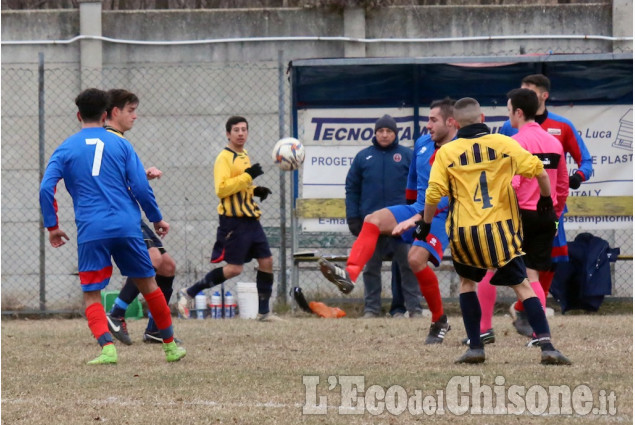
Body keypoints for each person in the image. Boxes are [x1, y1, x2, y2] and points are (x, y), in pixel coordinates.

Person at [395, 97, 570, 365]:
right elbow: (539, 171)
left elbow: (433, 194)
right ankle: (547, 346)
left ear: (454, 122)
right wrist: (546, 200)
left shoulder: (447, 153)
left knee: (467, 284)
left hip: (464, 233)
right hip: (500, 232)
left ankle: (476, 346)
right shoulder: (504, 143)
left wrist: (425, 224)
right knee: (522, 285)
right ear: (483, 117)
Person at [39, 88, 186, 364]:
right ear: (106, 114)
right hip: (127, 225)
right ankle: (169, 346)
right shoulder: (121, 144)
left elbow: (46, 188)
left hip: (91, 229)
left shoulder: (67, 147)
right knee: (149, 285)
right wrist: (156, 218)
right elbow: (141, 186)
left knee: (92, 292)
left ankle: (107, 348)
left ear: (78, 115)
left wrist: (53, 227)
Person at [318, 98, 457, 344]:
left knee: (414, 260)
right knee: (372, 219)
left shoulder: (461, 149)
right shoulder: (423, 144)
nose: (428, 125)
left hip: (442, 214)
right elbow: (413, 187)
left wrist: (417, 218)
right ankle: (349, 275)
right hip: (417, 208)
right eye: (428, 119)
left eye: (433, 120)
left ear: (451, 122)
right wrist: (410, 212)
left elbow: (453, 195)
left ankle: (439, 319)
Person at [464, 88, 569, 346]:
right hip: (545, 217)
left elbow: (512, 183)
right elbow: (562, 186)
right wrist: (554, 218)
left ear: (518, 112)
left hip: (517, 215)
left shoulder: (516, 143)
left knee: (489, 269)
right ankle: (538, 335)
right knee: (532, 277)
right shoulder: (554, 142)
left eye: (509, 109)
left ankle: (484, 329)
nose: (508, 114)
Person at [499, 74, 593, 336]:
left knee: (542, 265)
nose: (524, 92)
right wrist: (555, 209)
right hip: (549, 211)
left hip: (524, 212)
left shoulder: (560, 127)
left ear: (542, 96)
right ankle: (530, 321)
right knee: (535, 268)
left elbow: (584, 163)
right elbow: (559, 182)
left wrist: (580, 177)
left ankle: (515, 322)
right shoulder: (513, 131)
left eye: (527, 90)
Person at [177, 116, 279, 321]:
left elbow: (241, 184)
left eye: (244, 129)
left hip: (251, 218)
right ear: (228, 134)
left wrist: (255, 190)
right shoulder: (224, 157)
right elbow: (222, 189)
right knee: (234, 269)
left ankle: (264, 312)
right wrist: (248, 177)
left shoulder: (244, 155)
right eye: (236, 130)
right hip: (234, 221)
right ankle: (190, 292)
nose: (241, 133)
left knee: (266, 261)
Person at [100, 89, 180, 345]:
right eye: (131, 110)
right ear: (115, 112)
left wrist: (141, 174)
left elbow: (115, 179)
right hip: (119, 215)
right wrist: (157, 217)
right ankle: (116, 312)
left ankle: (155, 330)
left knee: (167, 267)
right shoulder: (114, 141)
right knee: (153, 261)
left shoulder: (112, 140)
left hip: (125, 212)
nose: (135, 116)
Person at [345, 114, 423, 319]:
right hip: (372, 225)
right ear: (375, 133)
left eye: (389, 131)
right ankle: (371, 309)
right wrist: (354, 218)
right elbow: (352, 189)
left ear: (395, 134)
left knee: (408, 265)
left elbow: (418, 187)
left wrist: (415, 215)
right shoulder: (363, 157)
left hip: (401, 223)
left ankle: (414, 308)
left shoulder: (407, 156)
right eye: (381, 131)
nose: (384, 135)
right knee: (371, 268)